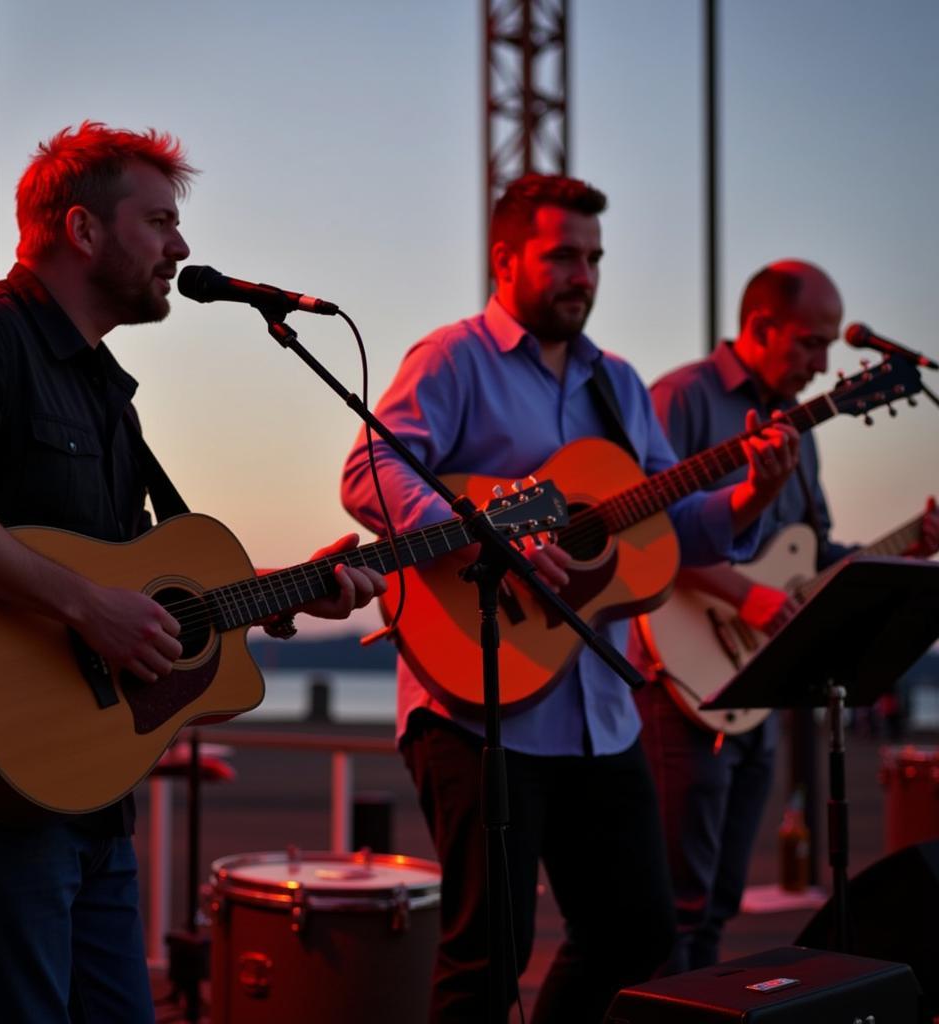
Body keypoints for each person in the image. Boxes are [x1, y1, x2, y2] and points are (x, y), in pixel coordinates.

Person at [0, 121, 385, 1023]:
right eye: (160, 221)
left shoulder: (105, 392)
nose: (182, 246)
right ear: (83, 229)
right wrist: (88, 607)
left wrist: (289, 589)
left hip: (92, 790)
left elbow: (145, 587)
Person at [340, 174, 801, 1022]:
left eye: (593, 258)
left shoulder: (617, 384)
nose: (582, 274)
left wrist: (749, 497)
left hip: (599, 709)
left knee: (637, 932)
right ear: (506, 257)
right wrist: (490, 534)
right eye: (561, 256)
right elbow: (371, 468)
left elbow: (667, 530)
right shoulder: (454, 359)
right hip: (476, 697)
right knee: (489, 957)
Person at [632, 258, 939, 975]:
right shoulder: (682, 399)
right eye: (810, 342)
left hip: (758, 686)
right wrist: (748, 596)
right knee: (676, 905)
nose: (825, 362)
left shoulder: (799, 429)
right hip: (678, 685)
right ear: (760, 326)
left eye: (832, 345)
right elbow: (638, 535)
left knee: (718, 903)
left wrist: (909, 546)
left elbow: (814, 550)